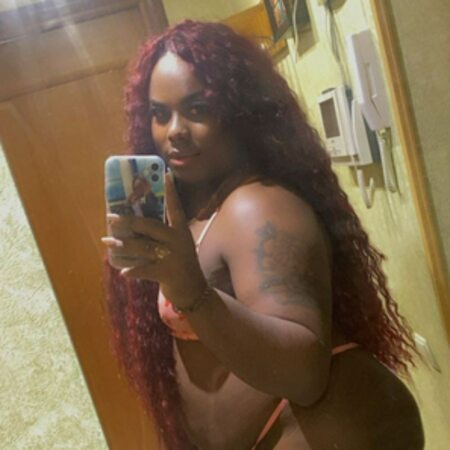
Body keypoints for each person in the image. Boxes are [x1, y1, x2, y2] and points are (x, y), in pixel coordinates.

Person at [101, 20, 424, 450]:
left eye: (197, 109)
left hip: (330, 427)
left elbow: (304, 376)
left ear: (240, 112)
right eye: (160, 114)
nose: (174, 130)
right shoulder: (192, 208)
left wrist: (189, 289)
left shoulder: (256, 207)